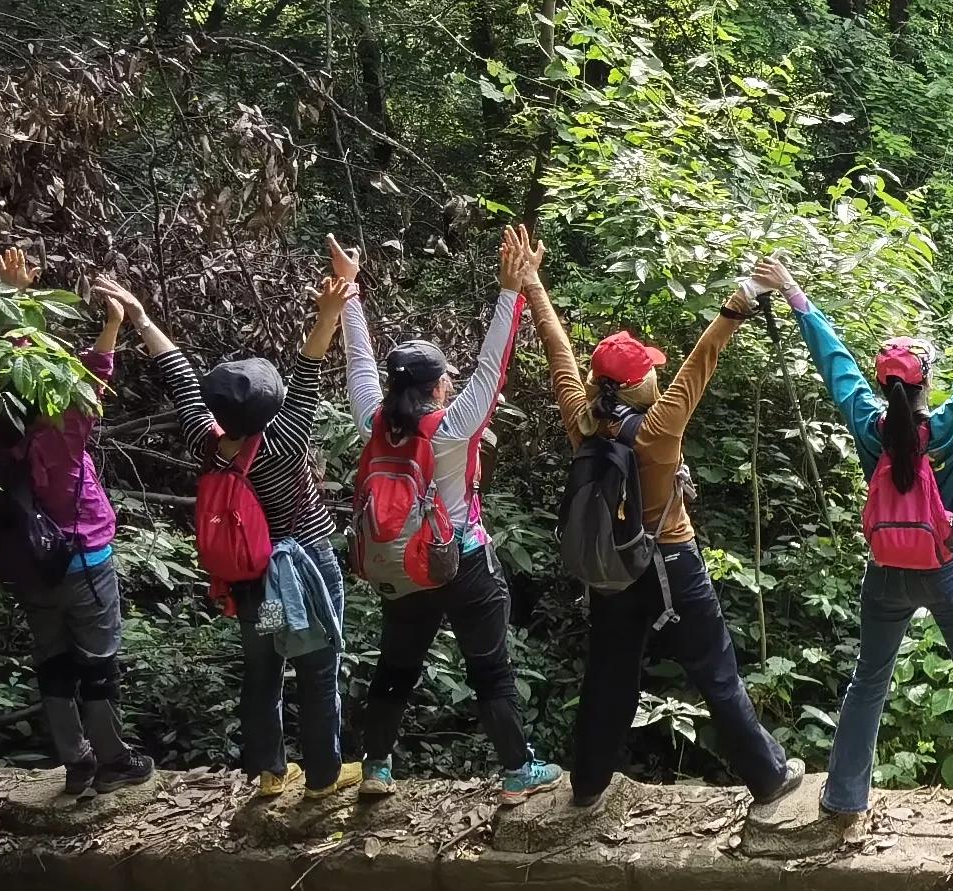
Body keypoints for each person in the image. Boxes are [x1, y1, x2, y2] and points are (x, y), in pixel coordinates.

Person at [774, 261, 953, 840]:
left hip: (886, 568)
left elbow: (836, 371)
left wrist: (795, 297)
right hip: (946, 562)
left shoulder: (869, 426)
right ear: (926, 385)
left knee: (868, 680)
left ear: (885, 387)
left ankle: (842, 796)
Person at [525, 248, 801, 820]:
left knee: (608, 677)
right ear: (636, 384)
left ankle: (588, 784)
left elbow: (556, 352)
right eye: (648, 368)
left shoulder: (580, 416)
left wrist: (532, 284)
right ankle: (769, 778)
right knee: (715, 671)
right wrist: (739, 302)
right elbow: (705, 357)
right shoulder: (659, 425)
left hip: (610, 572)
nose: (656, 371)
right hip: (670, 563)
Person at [339, 225, 561, 801]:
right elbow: (494, 369)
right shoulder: (455, 429)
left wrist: (351, 293)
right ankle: (517, 773)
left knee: (395, 667)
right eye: (446, 380)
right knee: (489, 667)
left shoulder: (372, 422)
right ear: (438, 387)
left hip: (399, 570)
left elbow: (359, 366)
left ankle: (376, 768)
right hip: (460, 564)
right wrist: (512, 291)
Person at [145, 242, 357, 811]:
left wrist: (141, 320)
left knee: (264, 669)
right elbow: (310, 370)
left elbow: (180, 379)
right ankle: (322, 776)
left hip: (256, 582)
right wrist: (331, 311)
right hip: (304, 571)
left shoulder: (207, 442)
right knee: (317, 665)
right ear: (272, 408)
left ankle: (269, 771)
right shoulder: (285, 442)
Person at [0, 245, 157, 804]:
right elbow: (92, 381)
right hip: (82, 560)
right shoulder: (59, 437)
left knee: (53, 660)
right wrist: (114, 322)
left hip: (26, 566)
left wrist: (13, 301)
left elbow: (12, 376)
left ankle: (74, 760)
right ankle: (112, 758)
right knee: (99, 662)